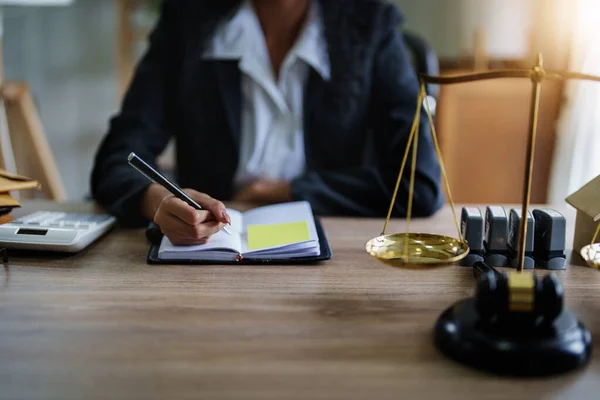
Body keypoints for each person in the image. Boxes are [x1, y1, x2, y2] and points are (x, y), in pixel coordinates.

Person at [91, 0, 443, 245]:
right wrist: (158, 201)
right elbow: (117, 159)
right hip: (208, 253)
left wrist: (287, 191)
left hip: (336, 252)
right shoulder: (186, 22)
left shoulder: (371, 27)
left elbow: (420, 186)